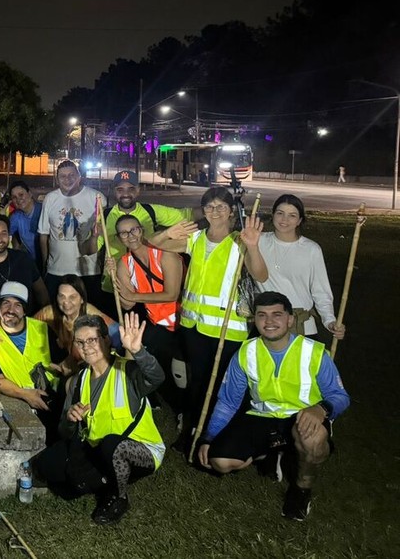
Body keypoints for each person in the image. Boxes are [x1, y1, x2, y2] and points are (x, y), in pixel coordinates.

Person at [197, 292, 350, 521]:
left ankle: (301, 490)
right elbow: (228, 402)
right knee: (220, 462)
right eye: (262, 315)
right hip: (262, 416)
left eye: (277, 315)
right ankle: (270, 453)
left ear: (290, 319)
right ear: (255, 321)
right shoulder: (245, 352)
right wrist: (209, 438)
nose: (269, 322)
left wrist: (321, 409)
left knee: (312, 439)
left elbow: (341, 396)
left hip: (301, 418)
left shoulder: (314, 352)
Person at [149, 187, 267, 447]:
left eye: (221, 207)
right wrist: (169, 232)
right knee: (198, 381)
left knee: (223, 385)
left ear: (230, 212)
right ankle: (193, 430)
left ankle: (216, 433)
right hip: (194, 327)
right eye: (209, 207)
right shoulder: (197, 239)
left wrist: (253, 247)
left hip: (227, 330)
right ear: (203, 211)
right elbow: (152, 246)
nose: (215, 212)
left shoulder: (240, 241)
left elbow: (260, 275)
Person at [34, 312, 165, 525]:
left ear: (106, 340)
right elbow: (64, 432)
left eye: (92, 340)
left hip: (140, 450)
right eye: (80, 342)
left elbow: (157, 377)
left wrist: (138, 351)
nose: (86, 347)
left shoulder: (128, 371)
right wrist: (70, 419)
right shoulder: (78, 381)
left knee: (113, 446)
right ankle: (100, 479)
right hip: (97, 449)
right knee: (50, 466)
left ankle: (118, 497)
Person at [112, 214, 185, 412]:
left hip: (183, 324)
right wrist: (116, 282)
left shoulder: (165, 253)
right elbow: (126, 305)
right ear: (119, 238)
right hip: (157, 325)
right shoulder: (124, 263)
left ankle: (183, 410)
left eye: (134, 230)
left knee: (182, 374)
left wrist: (132, 296)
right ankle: (156, 401)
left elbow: (171, 294)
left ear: (142, 230)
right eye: (124, 233)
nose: (130, 236)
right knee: (153, 366)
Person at [95, 169, 192, 306]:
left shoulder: (151, 211)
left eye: (131, 189)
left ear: (138, 190)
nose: (126, 194)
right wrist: (94, 236)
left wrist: (213, 211)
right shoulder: (104, 216)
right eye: (120, 189)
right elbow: (91, 249)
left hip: (148, 289)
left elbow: (187, 215)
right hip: (114, 286)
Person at [256, 195, 345, 340]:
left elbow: (320, 290)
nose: (284, 220)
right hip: (267, 325)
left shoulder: (311, 249)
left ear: (299, 221)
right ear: (273, 215)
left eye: (292, 215)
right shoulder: (258, 241)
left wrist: (329, 321)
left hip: (301, 326)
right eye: (280, 213)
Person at [0, 281, 58, 437]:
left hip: (50, 399)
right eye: (6, 303)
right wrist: (25, 394)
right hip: (18, 399)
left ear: (25, 311)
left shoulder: (42, 328)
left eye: (17, 305)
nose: (10, 310)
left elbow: (61, 365)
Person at [38, 160, 105, 305]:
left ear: (79, 176)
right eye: (62, 176)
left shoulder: (96, 198)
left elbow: (103, 234)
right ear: (57, 179)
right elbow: (44, 235)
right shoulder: (50, 199)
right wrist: (45, 264)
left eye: (71, 175)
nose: (67, 179)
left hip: (88, 272)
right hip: (56, 271)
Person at [34, 274, 120, 379]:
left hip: (88, 370)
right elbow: (27, 329)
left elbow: (119, 336)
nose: (66, 302)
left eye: (72, 297)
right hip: (55, 367)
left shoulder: (92, 315)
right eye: (61, 296)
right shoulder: (48, 313)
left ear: (82, 299)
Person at [7, 180, 43, 273]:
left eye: (21, 194)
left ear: (30, 194)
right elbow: (4, 232)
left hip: (49, 263)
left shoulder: (43, 211)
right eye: (14, 197)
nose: (18, 199)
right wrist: (3, 211)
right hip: (34, 264)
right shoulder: (16, 217)